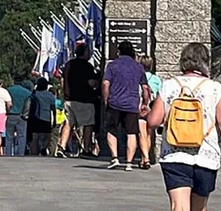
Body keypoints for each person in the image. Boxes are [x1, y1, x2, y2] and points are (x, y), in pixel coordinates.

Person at [147, 43, 221, 211]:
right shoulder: (214, 88)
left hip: (175, 155)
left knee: (179, 209)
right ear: (206, 62)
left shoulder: (169, 85)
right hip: (205, 157)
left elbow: (153, 121)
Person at [102, 41, 151, 171]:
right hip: (132, 104)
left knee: (112, 130)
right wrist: (145, 103)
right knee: (132, 132)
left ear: (119, 52)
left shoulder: (112, 65)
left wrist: (106, 99)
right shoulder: (138, 67)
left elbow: (106, 84)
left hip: (114, 102)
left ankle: (115, 158)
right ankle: (129, 163)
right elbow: (145, 88)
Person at [57, 43, 98, 157]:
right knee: (88, 124)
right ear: (84, 53)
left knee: (68, 123)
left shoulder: (68, 64)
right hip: (84, 99)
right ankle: (86, 148)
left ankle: (62, 146)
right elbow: (91, 83)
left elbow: (62, 80)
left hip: (69, 99)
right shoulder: (87, 66)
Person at [137, 55, 162, 170]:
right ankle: (145, 157)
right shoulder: (156, 79)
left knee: (141, 133)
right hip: (152, 108)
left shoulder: (138, 77)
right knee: (148, 134)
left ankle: (145, 158)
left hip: (141, 106)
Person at [28, 78, 57, 155]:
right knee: (48, 136)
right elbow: (53, 108)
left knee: (35, 137)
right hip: (46, 117)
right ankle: (44, 148)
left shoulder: (34, 94)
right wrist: (54, 120)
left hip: (35, 118)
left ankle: (34, 154)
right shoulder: (50, 95)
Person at [5, 75, 32, 156]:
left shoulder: (8, 90)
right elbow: (28, 105)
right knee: (22, 136)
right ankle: (21, 153)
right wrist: (25, 115)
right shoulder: (27, 92)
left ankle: (8, 153)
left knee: (9, 136)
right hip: (21, 116)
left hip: (10, 115)